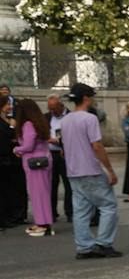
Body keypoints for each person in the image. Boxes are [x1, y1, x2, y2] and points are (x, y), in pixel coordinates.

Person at [60, 84, 121, 260]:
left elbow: (65, 147)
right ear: (86, 98)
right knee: (108, 205)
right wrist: (109, 169)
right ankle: (104, 243)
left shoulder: (66, 120)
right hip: (90, 169)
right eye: (92, 97)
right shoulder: (90, 119)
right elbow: (96, 145)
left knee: (81, 210)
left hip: (73, 171)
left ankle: (84, 246)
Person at [12, 97, 54, 235]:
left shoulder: (28, 124)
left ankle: (42, 224)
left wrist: (17, 149)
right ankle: (46, 223)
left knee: (37, 194)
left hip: (34, 162)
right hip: (44, 159)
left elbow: (28, 146)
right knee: (44, 193)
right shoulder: (39, 122)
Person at [47, 94, 71, 223]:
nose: (52, 111)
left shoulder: (70, 116)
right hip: (50, 154)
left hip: (65, 153)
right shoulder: (46, 117)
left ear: (61, 105)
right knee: (51, 185)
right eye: (49, 108)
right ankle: (51, 212)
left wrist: (59, 141)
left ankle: (70, 212)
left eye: (54, 108)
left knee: (69, 184)